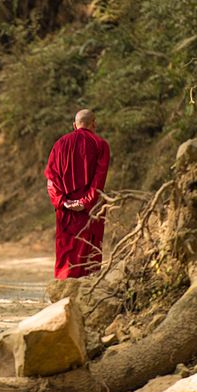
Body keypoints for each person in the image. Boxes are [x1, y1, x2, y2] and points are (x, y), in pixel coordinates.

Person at [44, 109, 111, 279]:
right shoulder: (100, 145)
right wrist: (85, 202)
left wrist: (62, 202)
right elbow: (99, 179)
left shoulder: (59, 144)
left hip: (66, 212)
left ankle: (63, 292)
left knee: (66, 254)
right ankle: (87, 296)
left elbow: (51, 180)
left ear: (74, 125)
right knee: (90, 254)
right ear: (94, 124)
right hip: (91, 210)